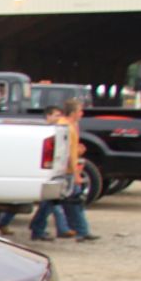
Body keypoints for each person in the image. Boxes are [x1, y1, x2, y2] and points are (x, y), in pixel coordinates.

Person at [31, 98, 96, 241]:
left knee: (52, 202)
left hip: (62, 170)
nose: (82, 114)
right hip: (65, 171)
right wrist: (76, 173)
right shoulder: (67, 128)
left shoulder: (65, 126)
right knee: (72, 201)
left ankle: (38, 228)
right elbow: (69, 153)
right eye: (80, 111)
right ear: (73, 113)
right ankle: (81, 230)